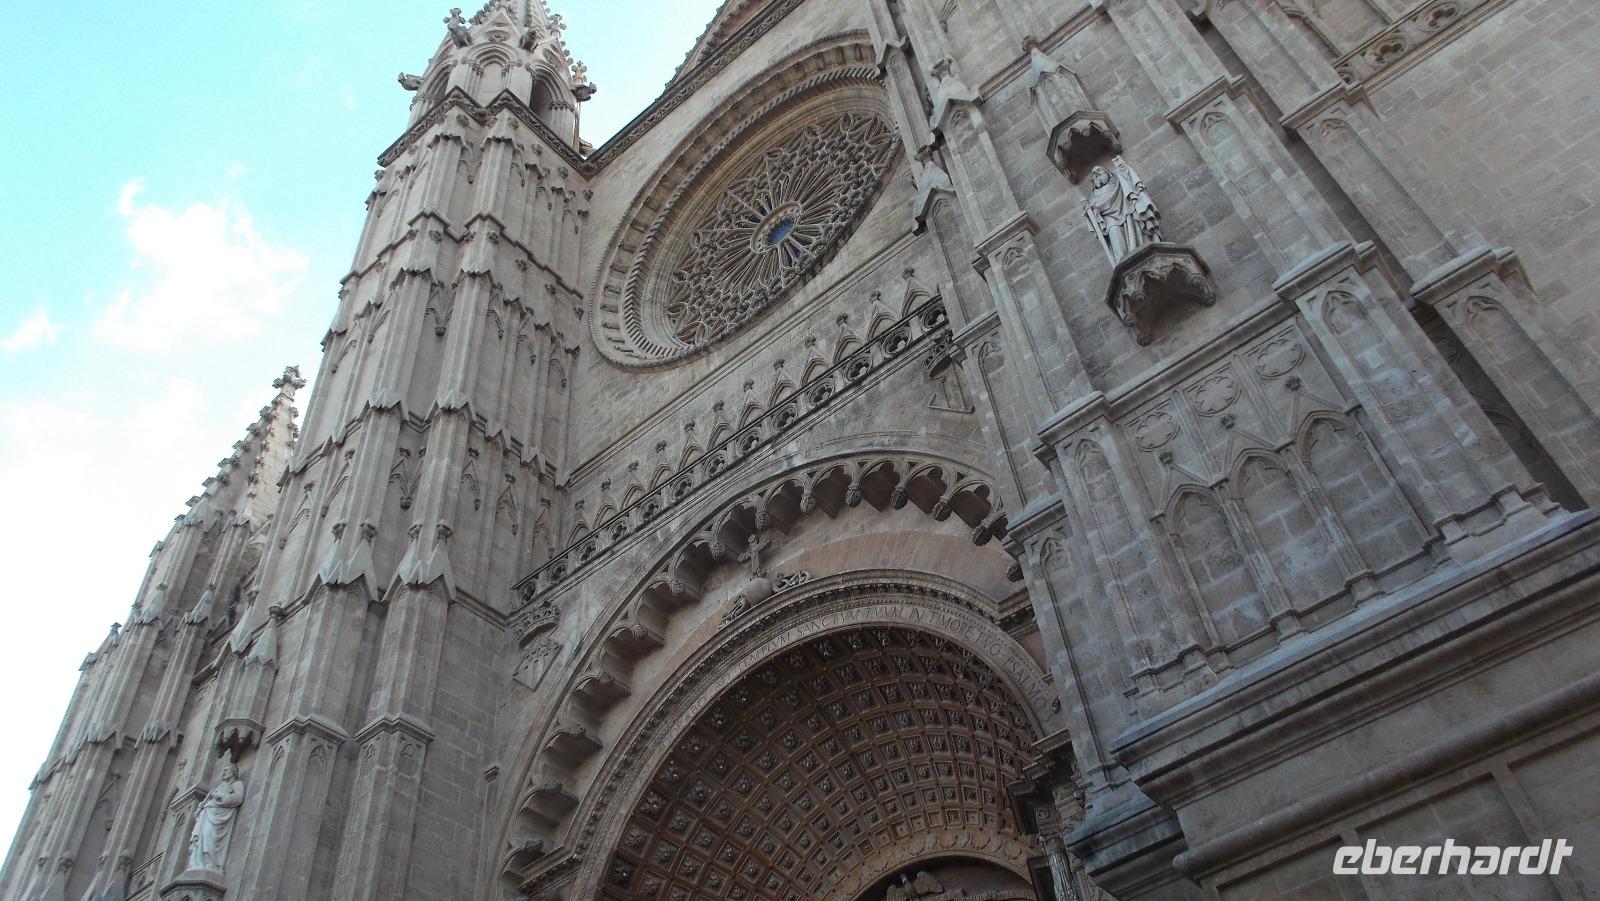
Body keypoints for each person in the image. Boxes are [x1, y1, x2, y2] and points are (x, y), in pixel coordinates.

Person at [186, 759, 246, 872]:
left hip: (219, 818)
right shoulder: (218, 787)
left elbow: (238, 798)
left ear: (234, 772)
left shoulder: (237, 784)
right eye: (223, 770)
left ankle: (211, 863)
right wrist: (200, 809)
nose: (223, 772)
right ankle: (198, 863)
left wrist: (220, 797)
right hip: (207, 814)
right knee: (201, 839)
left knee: (209, 834)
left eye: (226, 770)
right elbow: (207, 800)